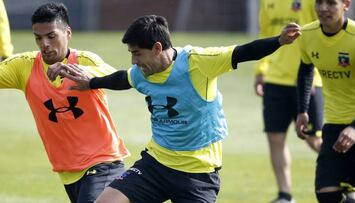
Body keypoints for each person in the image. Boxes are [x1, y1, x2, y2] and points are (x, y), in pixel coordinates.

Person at [49, 15, 301, 203]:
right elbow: (121, 79)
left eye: (137, 54)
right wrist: (91, 82)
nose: (134, 61)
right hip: (155, 165)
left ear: (158, 48)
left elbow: (244, 52)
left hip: (198, 174)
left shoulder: (199, 62)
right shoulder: (141, 73)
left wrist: (279, 41)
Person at [0, 2, 129, 203]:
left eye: (51, 36)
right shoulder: (23, 66)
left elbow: (119, 77)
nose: (45, 44)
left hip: (103, 164)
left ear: (67, 33)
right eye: (38, 38)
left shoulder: (86, 61)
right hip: (69, 173)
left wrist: (76, 72)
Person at [253, 0, 324, 202]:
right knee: (275, 138)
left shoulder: (313, 2)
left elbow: (322, 31)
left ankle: (346, 182)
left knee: (314, 140)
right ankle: (285, 195)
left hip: (307, 80)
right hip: (274, 79)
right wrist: (260, 71)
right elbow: (264, 34)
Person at [295, 0, 355, 202]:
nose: (324, 8)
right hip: (333, 124)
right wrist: (302, 110)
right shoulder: (307, 34)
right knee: (325, 193)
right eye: (319, 2)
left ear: (346, 5)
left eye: (331, 3)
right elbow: (305, 69)